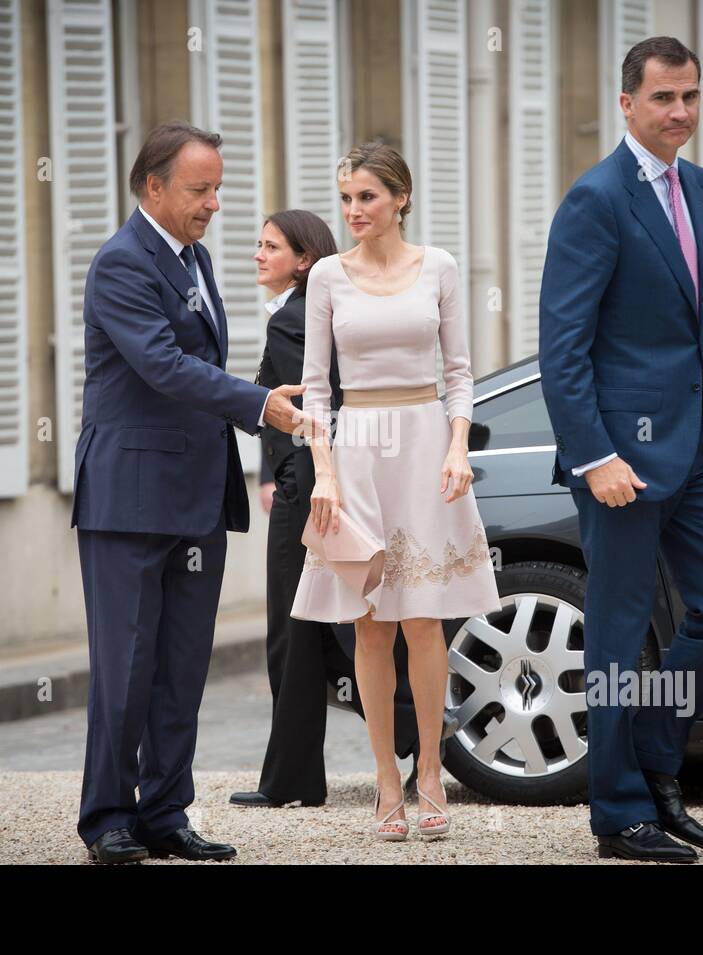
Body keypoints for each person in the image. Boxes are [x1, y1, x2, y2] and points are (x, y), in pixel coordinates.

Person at [538, 37, 703, 863]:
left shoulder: (700, 188)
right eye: (665, 98)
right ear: (627, 103)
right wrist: (592, 454)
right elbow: (562, 346)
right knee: (617, 630)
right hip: (621, 459)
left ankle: (654, 750)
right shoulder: (594, 200)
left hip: (699, 442)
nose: (680, 112)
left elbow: (687, 326)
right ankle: (620, 811)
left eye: (692, 97)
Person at [72, 121, 311, 864]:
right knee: (127, 666)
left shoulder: (196, 258)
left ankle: (166, 810)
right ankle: (109, 816)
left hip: (195, 495)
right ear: (153, 187)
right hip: (129, 498)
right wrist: (259, 401)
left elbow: (191, 365)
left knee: (181, 665)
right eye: (198, 189)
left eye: (217, 188)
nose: (213, 204)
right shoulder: (121, 264)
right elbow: (165, 365)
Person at [290, 142, 502, 842]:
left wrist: (456, 443)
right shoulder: (325, 275)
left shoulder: (437, 266)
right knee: (371, 621)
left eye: (367, 197)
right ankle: (386, 781)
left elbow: (461, 371)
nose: (353, 210)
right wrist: (323, 469)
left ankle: (432, 772)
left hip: (422, 443)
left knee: (426, 619)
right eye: (346, 197)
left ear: (401, 197)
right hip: (354, 454)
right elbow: (316, 388)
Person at [231, 210, 421, 810]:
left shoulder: (293, 318)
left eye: (270, 246)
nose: (257, 256)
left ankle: (294, 781)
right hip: (326, 479)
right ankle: (415, 741)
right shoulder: (313, 309)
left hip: (311, 487)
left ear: (305, 259)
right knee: (339, 629)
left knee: (299, 632)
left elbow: (308, 408)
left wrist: (302, 478)